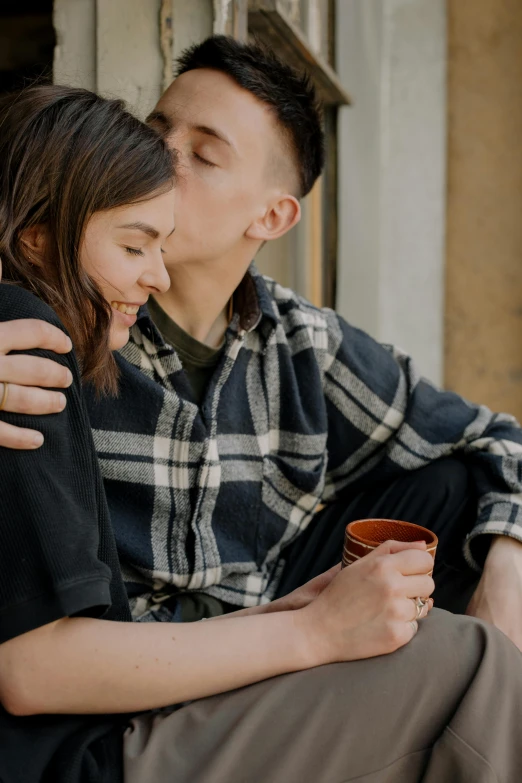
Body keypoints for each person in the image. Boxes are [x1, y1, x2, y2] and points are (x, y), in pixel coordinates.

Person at [0, 82, 522, 783]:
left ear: (273, 215)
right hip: (107, 721)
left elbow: (496, 440)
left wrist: (505, 568)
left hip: (234, 642)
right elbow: (34, 665)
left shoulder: (301, 341)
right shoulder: (40, 339)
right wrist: (312, 629)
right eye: (159, 127)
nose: (165, 154)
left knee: (463, 503)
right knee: (471, 663)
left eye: (204, 152)